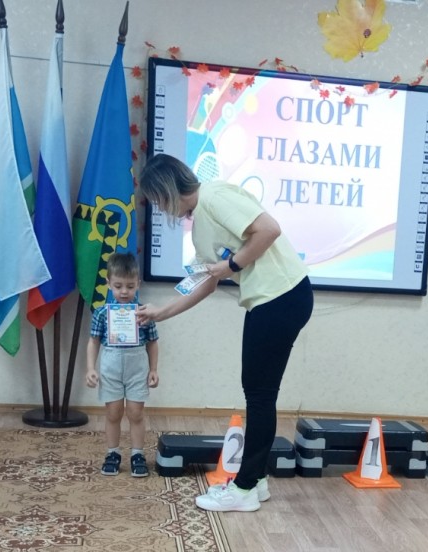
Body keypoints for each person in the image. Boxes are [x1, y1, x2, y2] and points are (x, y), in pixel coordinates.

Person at [136, 153, 313, 512]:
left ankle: (244, 489)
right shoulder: (200, 222)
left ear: (167, 189)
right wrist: (161, 312)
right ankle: (256, 481)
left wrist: (232, 264)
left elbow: (269, 229)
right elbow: (207, 281)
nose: (159, 208)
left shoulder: (214, 196)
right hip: (270, 300)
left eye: (156, 199)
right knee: (259, 393)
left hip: (282, 295)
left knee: (259, 395)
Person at [86, 252, 159, 477]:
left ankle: (137, 454)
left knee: (136, 413)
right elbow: (93, 341)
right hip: (110, 368)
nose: (124, 291)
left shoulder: (144, 313)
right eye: (118, 286)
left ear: (138, 284)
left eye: (130, 286)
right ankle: (113, 453)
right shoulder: (101, 313)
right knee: (113, 413)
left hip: (137, 369)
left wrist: (154, 369)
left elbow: (153, 342)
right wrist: (90, 368)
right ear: (108, 283)